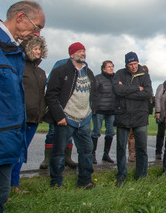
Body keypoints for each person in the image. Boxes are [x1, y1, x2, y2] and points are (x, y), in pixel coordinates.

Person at [0, 0, 44, 212]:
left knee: (0, 197)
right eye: (37, 27)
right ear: (21, 17)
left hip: (6, 143)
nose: (38, 35)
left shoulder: (14, 52)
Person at [45, 42, 96, 189]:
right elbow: (51, 95)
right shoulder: (60, 71)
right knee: (59, 152)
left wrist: (91, 109)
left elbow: (94, 93)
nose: (83, 54)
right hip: (66, 118)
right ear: (71, 54)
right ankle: (56, 182)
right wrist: (59, 115)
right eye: (79, 51)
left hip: (84, 118)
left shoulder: (89, 72)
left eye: (84, 51)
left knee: (86, 151)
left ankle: (85, 181)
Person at [10, 36, 47, 194]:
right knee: (12, 151)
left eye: (39, 48)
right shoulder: (20, 66)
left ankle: (14, 184)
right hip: (20, 116)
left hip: (35, 117)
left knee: (21, 153)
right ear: (27, 49)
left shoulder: (40, 72)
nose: (37, 51)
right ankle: (5, 187)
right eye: (34, 48)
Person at [113, 52, 152, 186]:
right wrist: (136, 88)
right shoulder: (119, 73)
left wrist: (126, 91)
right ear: (126, 64)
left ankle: (141, 176)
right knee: (121, 148)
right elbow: (117, 90)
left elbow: (147, 93)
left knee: (142, 148)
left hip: (140, 116)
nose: (134, 67)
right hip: (122, 115)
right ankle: (121, 176)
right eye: (131, 64)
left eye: (135, 63)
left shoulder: (144, 75)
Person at [39, 59, 78, 170]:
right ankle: (47, 158)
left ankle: (67, 158)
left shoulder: (78, 70)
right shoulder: (60, 65)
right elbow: (50, 84)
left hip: (71, 108)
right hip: (58, 106)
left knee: (69, 134)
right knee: (52, 132)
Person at [91, 60, 116, 164]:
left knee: (110, 132)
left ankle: (106, 154)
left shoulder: (116, 79)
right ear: (103, 69)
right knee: (96, 132)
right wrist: (93, 108)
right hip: (99, 110)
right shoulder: (98, 78)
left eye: (112, 66)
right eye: (109, 66)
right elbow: (92, 93)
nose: (111, 68)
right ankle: (92, 154)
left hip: (111, 111)